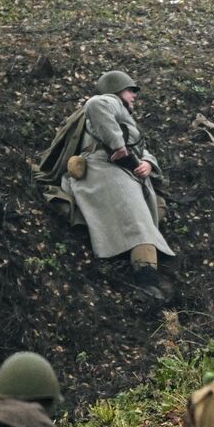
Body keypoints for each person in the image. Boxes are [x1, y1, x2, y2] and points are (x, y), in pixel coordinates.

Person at [58, 71, 173, 301]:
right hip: (105, 169)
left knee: (153, 213)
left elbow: (141, 148)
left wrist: (149, 163)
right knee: (138, 222)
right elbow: (95, 103)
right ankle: (147, 281)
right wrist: (118, 145)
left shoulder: (124, 117)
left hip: (126, 172)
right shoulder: (111, 103)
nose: (134, 96)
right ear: (116, 91)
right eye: (130, 90)